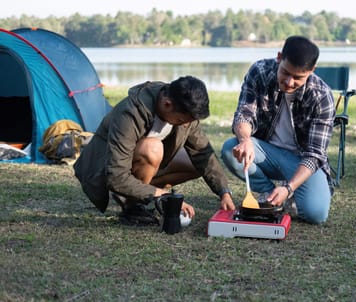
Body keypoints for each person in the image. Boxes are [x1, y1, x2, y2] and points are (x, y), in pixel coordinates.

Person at [74, 76, 235, 225]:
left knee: (195, 163)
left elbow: (203, 153)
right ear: (167, 104)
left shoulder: (184, 111)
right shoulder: (130, 113)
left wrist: (224, 192)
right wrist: (163, 195)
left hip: (142, 165)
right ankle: (132, 206)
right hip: (106, 170)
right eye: (181, 121)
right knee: (152, 148)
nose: (185, 125)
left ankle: (137, 190)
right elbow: (116, 176)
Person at [221, 36, 335, 224]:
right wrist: (245, 140)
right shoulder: (259, 72)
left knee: (316, 215)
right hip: (266, 152)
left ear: (312, 71)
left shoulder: (322, 96)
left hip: (301, 161)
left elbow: (315, 155)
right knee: (230, 149)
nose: (289, 82)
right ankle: (269, 194)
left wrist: (289, 188)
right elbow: (243, 115)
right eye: (286, 73)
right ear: (279, 57)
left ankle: (287, 194)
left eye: (298, 77)